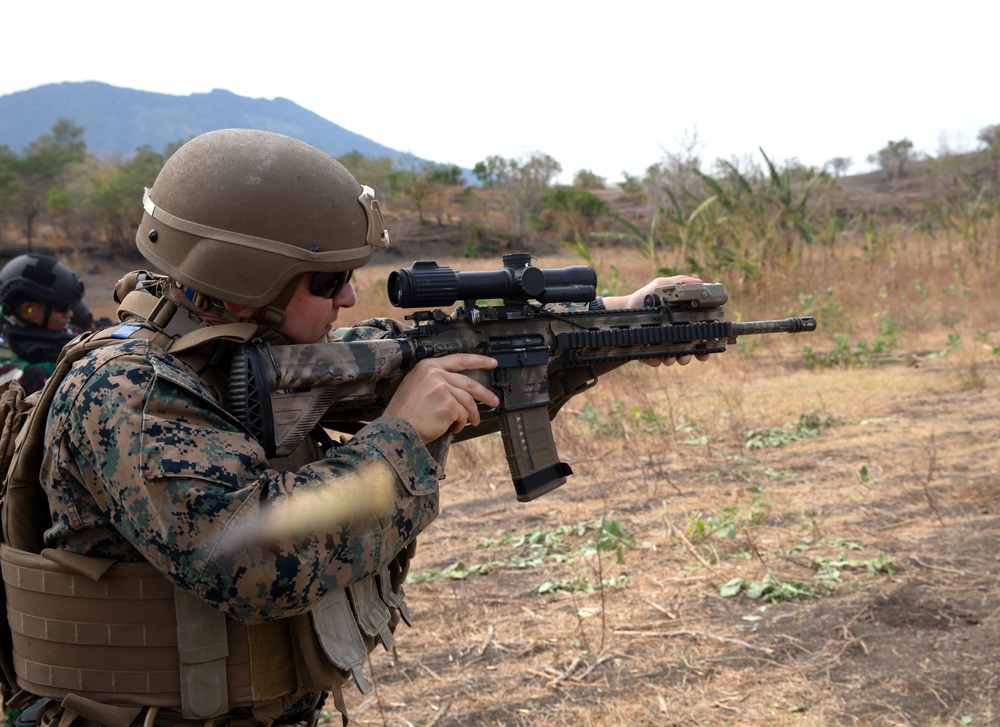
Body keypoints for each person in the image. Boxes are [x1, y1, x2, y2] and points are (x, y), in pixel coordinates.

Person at [2, 129, 702, 727]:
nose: (348, 295)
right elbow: (247, 560)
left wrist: (621, 325)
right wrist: (398, 437)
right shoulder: (127, 390)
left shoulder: (239, 347)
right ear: (246, 275)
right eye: (327, 278)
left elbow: (441, 359)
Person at [0, 253, 86, 393]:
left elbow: (80, 335)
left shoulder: (60, 331)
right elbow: (26, 380)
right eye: (62, 308)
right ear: (29, 310)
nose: (69, 314)